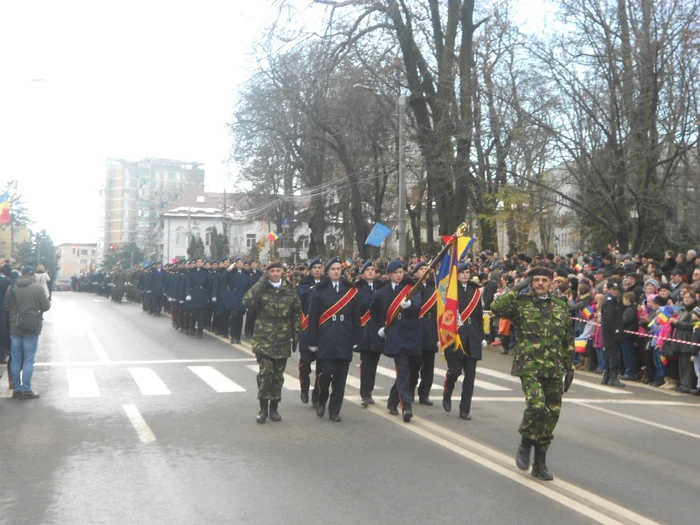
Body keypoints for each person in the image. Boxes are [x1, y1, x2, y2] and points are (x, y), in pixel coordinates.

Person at [491, 267, 574, 481]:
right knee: (537, 407)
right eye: (535, 280)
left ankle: (540, 463)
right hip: (529, 365)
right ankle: (526, 441)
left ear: (551, 283)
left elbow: (567, 337)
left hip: (554, 367)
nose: (539, 283)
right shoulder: (521, 302)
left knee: (551, 414)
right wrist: (517, 287)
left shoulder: (560, 305)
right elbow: (495, 307)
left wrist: (570, 365)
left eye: (543, 280)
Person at [244, 262, 302, 423]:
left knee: (277, 376)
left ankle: (274, 409)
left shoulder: (289, 289)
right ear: (267, 273)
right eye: (272, 271)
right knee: (265, 374)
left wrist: (297, 332)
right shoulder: (261, 288)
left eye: (278, 271)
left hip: (282, 338)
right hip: (264, 338)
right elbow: (247, 302)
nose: (276, 273)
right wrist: (261, 281)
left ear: (282, 272)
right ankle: (263, 409)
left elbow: (296, 312)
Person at [307, 258, 360, 422]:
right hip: (326, 338)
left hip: (344, 337)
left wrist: (356, 338)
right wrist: (312, 341)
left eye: (338, 269)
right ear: (327, 272)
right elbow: (313, 318)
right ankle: (322, 398)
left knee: (340, 379)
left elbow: (356, 317)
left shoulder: (350, 291)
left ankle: (334, 411)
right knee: (325, 374)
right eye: (333, 269)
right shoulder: (319, 291)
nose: (336, 271)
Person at [370, 259, 423, 423]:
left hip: (412, 334)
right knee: (403, 371)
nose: (399, 275)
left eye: (401, 272)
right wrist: (382, 327)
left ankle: (392, 400)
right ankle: (406, 407)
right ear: (389, 275)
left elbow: (418, 306)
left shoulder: (412, 289)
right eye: (395, 273)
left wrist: (410, 306)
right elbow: (374, 311)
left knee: (410, 371)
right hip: (395, 335)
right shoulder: (382, 292)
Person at [442, 262, 485, 420]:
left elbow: (479, 316)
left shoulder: (475, 291)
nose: (465, 275)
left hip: (472, 337)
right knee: (454, 371)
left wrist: (482, 336)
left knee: (470, 377)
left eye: (467, 272)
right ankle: (447, 392)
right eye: (462, 272)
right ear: (456, 274)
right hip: (456, 336)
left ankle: (464, 409)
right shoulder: (450, 290)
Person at [4, 265, 51, 399]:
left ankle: (17, 389)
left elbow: (7, 307)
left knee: (15, 358)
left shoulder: (11, 287)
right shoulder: (37, 288)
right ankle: (26, 389)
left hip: (15, 326)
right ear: (32, 275)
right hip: (31, 327)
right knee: (29, 359)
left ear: (21, 273)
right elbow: (46, 307)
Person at [296, 258, 324, 405]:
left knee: (322, 367)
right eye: (315, 267)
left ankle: (317, 395)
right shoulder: (303, 285)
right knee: (305, 363)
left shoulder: (327, 285)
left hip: (322, 329)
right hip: (307, 329)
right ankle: (304, 389)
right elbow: (299, 301)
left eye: (320, 267)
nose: (318, 270)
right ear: (310, 270)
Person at [355, 260, 383, 407]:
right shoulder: (358, 289)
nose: (371, 272)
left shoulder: (381, 287)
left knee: (374, 362)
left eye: (373, 269)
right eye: (368, 270)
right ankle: (365, 393)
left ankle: (369, 391)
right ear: (363, 273)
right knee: (366, 364)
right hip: (364, 330)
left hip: (378, 330)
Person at [410, 262, 438, 406]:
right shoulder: (412, 287)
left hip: (431, 328)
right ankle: (409, 392)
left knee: (429, 365)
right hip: (416, 327)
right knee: (414, 364)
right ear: (415, 273)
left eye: (426, 269)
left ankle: (424, 394)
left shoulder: (435, 286)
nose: (424, 271)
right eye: (421, 269)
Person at [601, 279, 625, 387]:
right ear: (609, 289)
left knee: (609, 354)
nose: (615, 291)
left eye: (616, 289)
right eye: (613, 289)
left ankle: (606, 376)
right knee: (614, 355)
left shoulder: (611, 300)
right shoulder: (610, 301)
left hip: (608, 332)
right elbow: (610, 319)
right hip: (611, 332)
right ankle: (613, 377)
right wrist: (616, 332)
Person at [225, 258, 251, 344]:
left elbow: (249, 285)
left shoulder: (246, 274)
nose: (240, 264)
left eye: (241, 263)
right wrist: (228, 270)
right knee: (234, 316)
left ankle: (238, 337)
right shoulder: (231, 273)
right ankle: (233, 336)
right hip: (234, 296)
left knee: (240, 318)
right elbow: (225, 281)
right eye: (238, 263)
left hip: (242, 296)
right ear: (235, 264)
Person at [185, 258, 211, 339]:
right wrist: (188, 294)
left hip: (203, 294)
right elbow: (188, 284)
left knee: (201, 315)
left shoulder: (206, 272)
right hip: (194, 294)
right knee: (193, 313)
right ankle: (192, 327)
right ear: (195, 263)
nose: (199, 263)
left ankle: (200, 330)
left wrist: (208, 296)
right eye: (198, 262)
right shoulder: (191, 272)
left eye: (201, 262)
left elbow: (209, 285)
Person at [244, 260, 263, 338]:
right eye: (252, 264)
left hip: (258, 296)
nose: (253, 265)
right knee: (250, 314)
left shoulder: (260, 273)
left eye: (255, 264)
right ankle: (248, 331)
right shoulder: (247, 273)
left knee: (256, 315)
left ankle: (254, 331)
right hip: (250, 295)